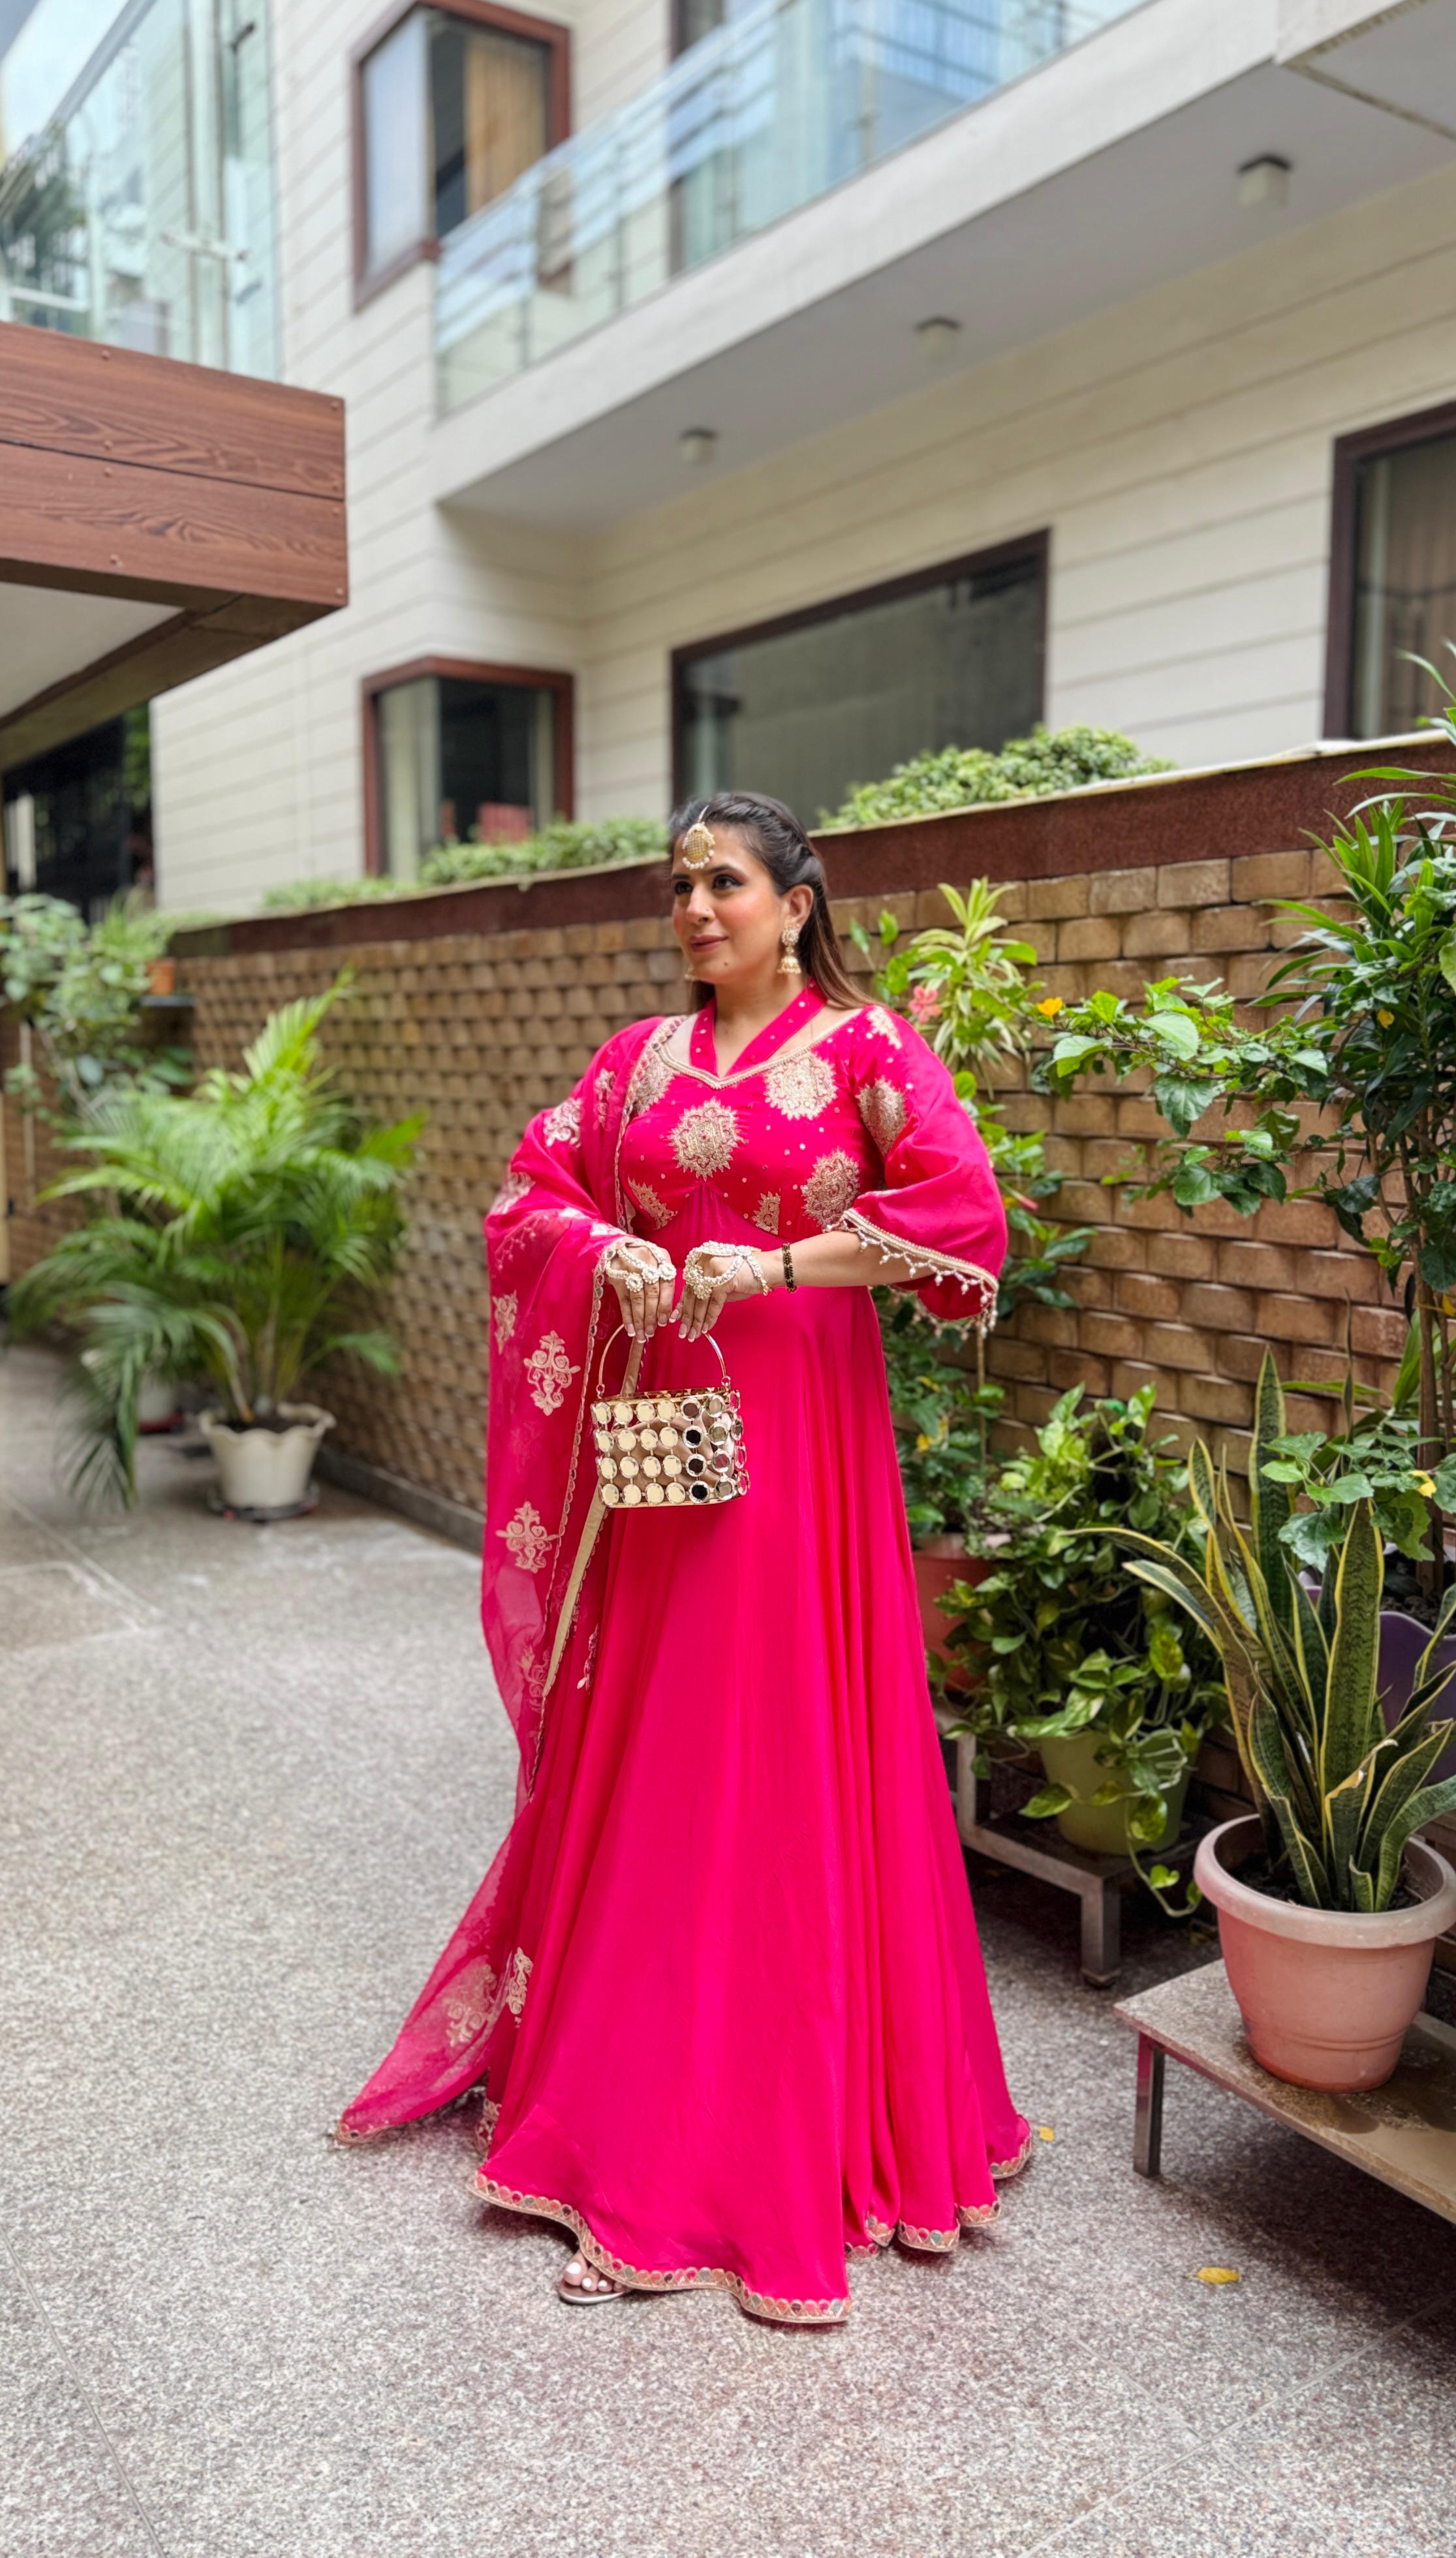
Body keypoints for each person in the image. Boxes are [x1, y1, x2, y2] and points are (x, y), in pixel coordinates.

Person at [337, 790, 1030, 2322]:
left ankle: (778, 2125)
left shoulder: (869, 1049)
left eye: (724, 882)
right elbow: (531, 1196)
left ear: (797, 904)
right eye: (679, 886)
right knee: (654, 1746)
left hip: (800, 1441)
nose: (696, 908)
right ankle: (622, 2100)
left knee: (787, 1746)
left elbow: (965, 1223)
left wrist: (773, 1258)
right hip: (658, 1446)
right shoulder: (636, 1063)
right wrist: (616, 1252)